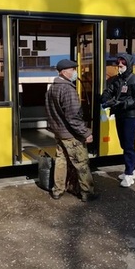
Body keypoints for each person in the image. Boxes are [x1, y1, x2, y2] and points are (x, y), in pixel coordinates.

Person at [45, 59, 98, 202]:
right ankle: (87, 193)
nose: (75, 72)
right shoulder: (68, 89)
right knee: (81, 163)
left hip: (59, 133)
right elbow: (73, 117)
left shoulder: (52, 88)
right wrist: (86, 133)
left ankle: (58, 190)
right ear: (64, 72)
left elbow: (50, 112)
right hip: (70, 135)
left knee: (61, 161)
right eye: (72, 69)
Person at [101, 54, 135, 188]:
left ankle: (129, 175)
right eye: (118, 65)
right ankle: (132, 169)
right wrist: (105, 98)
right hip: (120, 115)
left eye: (122, 65)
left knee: (129, 145)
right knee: (124, 144)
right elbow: (108, 91)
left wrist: (122, 103)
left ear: (128, 65)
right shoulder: (117, 80)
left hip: (130, 117)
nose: (119, 68)